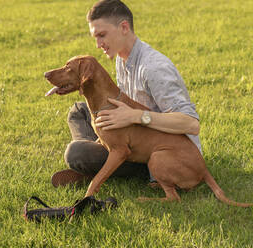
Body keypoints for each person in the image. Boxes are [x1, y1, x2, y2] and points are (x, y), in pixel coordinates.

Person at [51, 0, 202, 190]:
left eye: (102, 35)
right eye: (95, 38)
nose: (98, 45)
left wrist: (136, 116)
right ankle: (100, 162)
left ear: (124, 27)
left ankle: (96, 167)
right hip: (130, 133)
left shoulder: (154, 68)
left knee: (76, 152)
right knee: (78, 111)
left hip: (160, 153)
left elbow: (190, 124)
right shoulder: (122, 58)